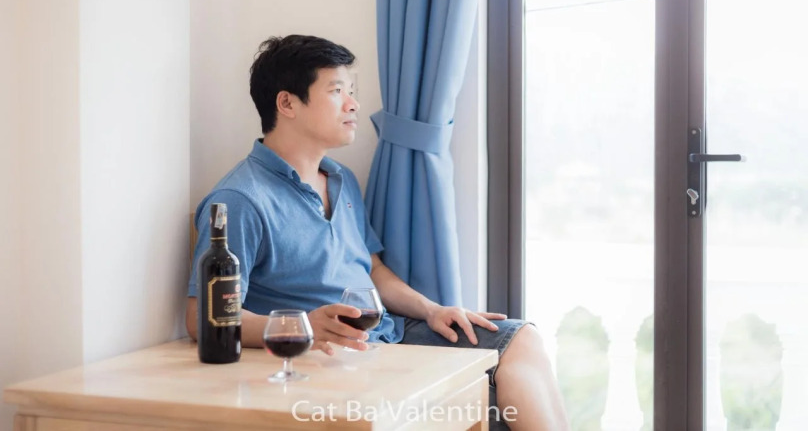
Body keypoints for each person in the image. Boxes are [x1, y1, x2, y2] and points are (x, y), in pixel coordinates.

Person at [185, 34, 568, 431]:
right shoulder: (240, 199)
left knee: (522, 340)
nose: (353, 104)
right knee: (490, 404)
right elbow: (202, 320)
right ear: (287, 103)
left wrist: (432, 310)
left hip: (388, 337)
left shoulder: (342, 180)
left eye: (351, 91)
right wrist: (304, 326)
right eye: (337, 91)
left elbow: (373, 269)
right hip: (325, 359)